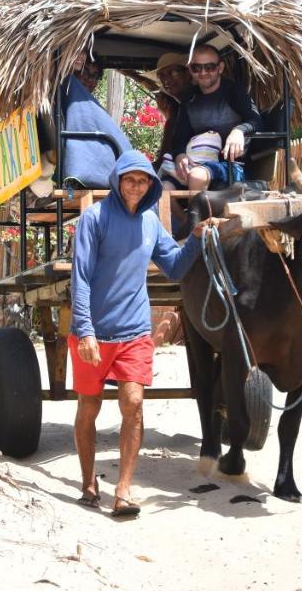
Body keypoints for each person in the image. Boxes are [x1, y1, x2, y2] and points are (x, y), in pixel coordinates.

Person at [70, 150, 204, 518]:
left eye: (143, 180)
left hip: (134, 331)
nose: (136, 185)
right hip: (93, 331)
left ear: (150, 186)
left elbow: (174, 268)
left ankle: (124, 491)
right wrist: (85, 331)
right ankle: (88, 483)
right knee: (89, 406)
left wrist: (194, 238)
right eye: (130, 179)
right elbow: (79, 277)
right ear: (116, 181)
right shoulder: (94, 219)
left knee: (133, 404)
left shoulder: (149, 223)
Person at [167, 44, 263, 190]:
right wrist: (180, 155)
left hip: (231, 166)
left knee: (197, 176)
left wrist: (239, 131)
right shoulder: (189, 99)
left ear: (220, 68)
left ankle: (196, 213)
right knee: (163, 188)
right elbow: (180, 136)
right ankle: (184, 214)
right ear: (190, 70)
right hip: (196, 161)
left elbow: (256, 120)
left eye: (210, 67)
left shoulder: (233, 92)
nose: (203, 72)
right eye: (196, 68)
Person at [57, 54, 132, 188]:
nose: (89, 79)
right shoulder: (66, 95)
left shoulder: (93, 108)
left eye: (95, 75)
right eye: (84, 72)